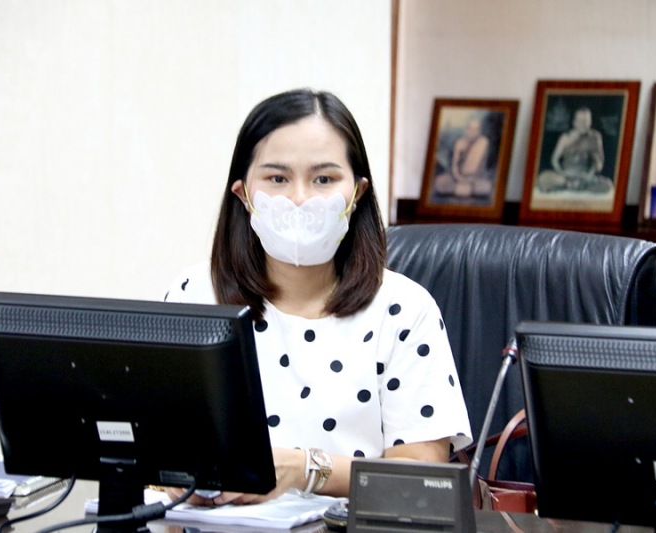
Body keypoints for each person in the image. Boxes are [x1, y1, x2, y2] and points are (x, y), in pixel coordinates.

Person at [164, 88, 471, 506]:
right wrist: (177, 477)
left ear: (357, 192)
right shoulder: (196, 294)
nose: (300, 198)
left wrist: (306, 470)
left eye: (323, 179)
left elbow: (424, 476)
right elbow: (162, 442)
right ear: (242, 193)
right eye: (277, 179)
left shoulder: (404, 310)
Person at [536, 106, 612, 193]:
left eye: (586, 121)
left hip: (584, 177)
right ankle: (569, 185)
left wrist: (590, 175)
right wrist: (562, 173)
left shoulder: (595, 137)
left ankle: (576, 185)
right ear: (574, 122)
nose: (583, 125)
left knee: (607, 185)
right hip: (565, 176)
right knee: (542, 178)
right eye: (580, 121)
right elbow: (554, 160)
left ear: (590, 122)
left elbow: (599, 161)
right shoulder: (566, 137)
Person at [434, 117, 492, 197]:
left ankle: (462, 189)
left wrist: (471, 180)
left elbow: (481, 168)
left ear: (480, 131)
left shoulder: (483, 142)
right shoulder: (460, 143)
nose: (473, 131)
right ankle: (464, 189)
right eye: (470, 128)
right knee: (439, 183)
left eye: (476, 129)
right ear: (466, 130)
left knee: (486, 187)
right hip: (457, 178)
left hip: (475, 180)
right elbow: (454, 167)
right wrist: (460, 179)